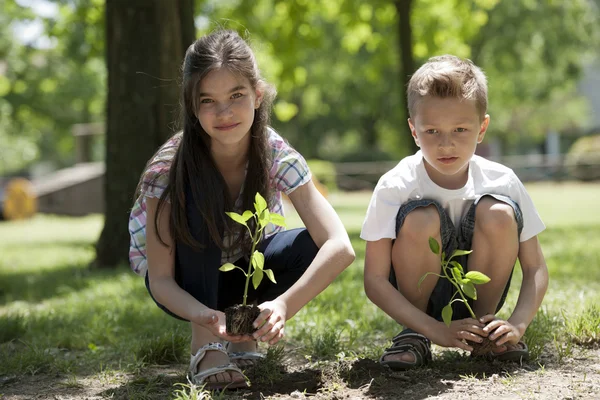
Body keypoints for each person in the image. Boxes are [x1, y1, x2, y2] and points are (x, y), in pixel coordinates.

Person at [128, 29, 355, 389]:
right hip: (185, 283)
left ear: (258, 95)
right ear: (191, 106)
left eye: (236, 95)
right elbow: (161, 280)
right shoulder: (169, 170)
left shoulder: (273, 152)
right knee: (201, 203)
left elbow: (340, 246)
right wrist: (204, 317)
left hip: (243, 273)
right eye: (207, 101)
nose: (225, 112)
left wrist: (282, 306)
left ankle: (243, 331)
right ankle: (207, 346)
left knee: (311, 244)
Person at [361, 55, 549, 370]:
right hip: (419, 303)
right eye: (432, 131)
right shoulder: (395, 184)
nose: (446, 144)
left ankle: (485, 334)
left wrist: (518, 324)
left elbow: (535, 268)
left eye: (460, 129)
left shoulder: (503, 181)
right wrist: (434, 330)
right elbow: (375, 279)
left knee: (499, 213)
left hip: (479, 292)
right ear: (413, 130)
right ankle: (414, 335)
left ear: (482, 128)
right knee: (421, 218)